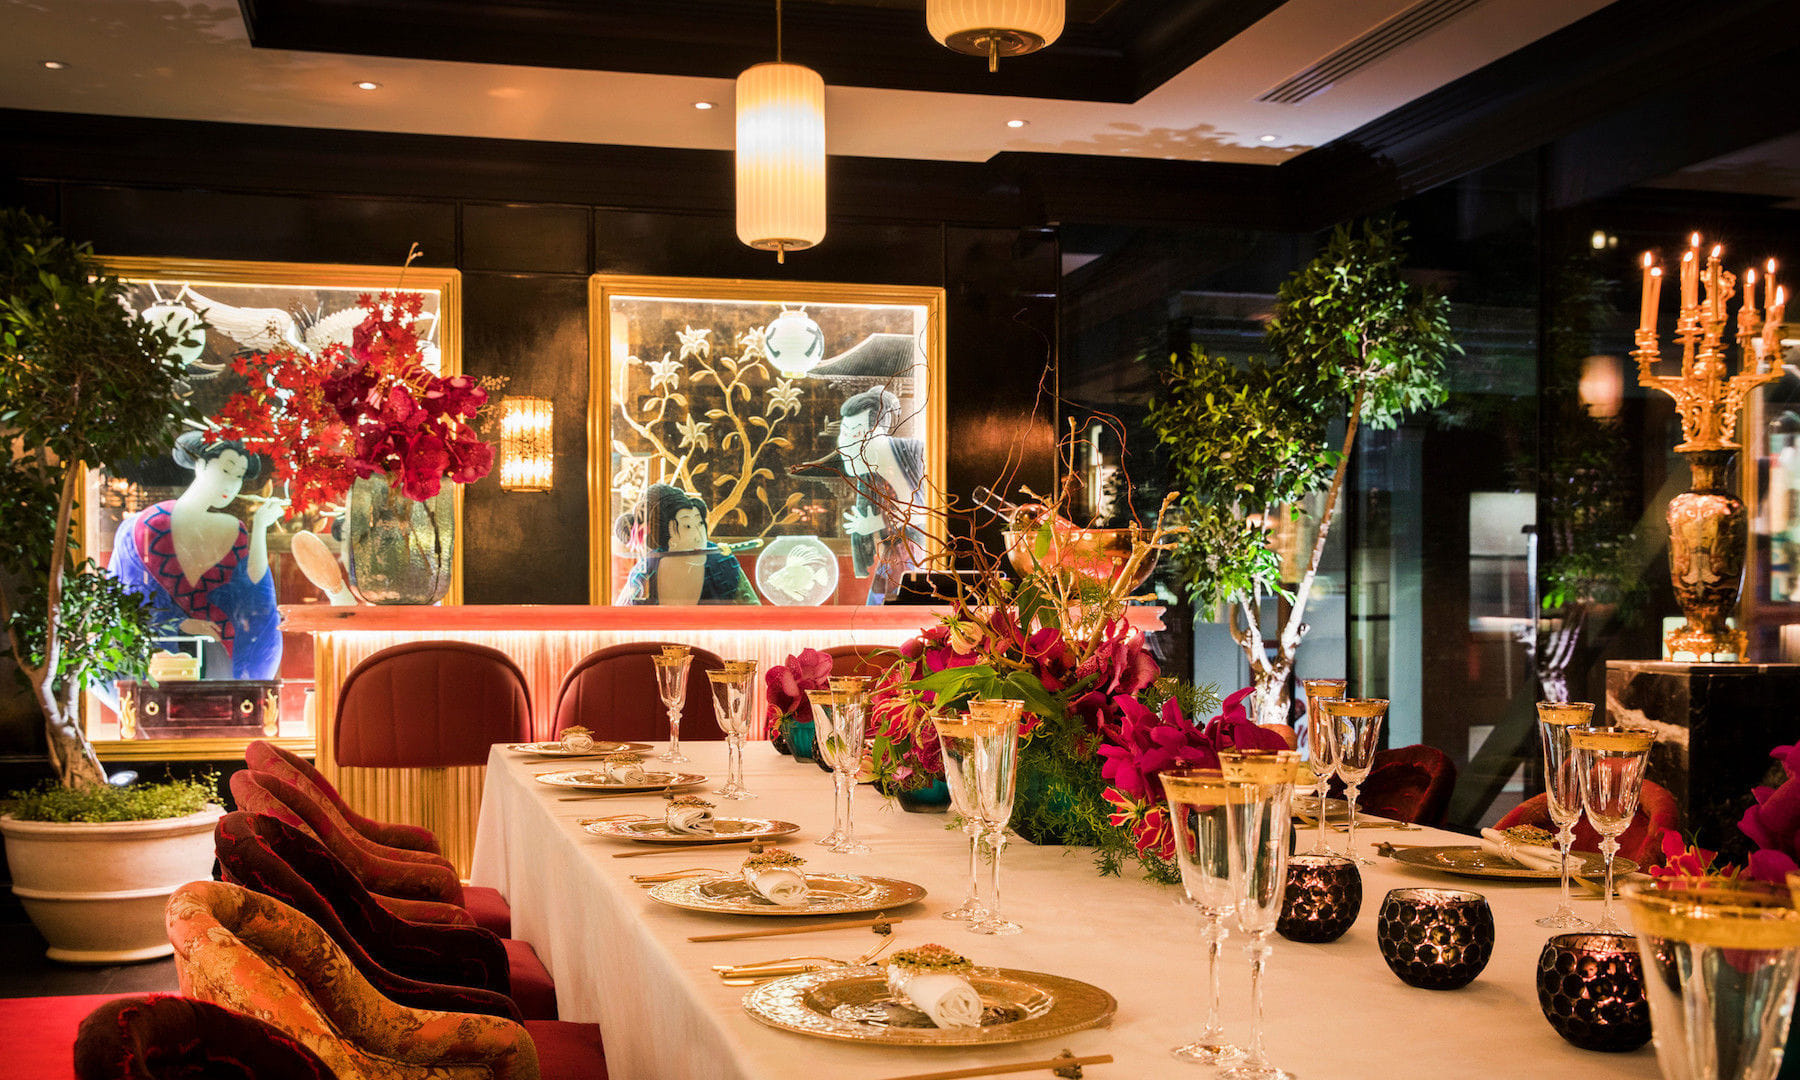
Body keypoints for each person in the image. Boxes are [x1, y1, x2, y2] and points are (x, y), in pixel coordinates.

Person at [109, 431, 285, 680]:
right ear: (200, 465)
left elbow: (254, 594)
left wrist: (260, 527)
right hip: (158, 658)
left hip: (218, 653)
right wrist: (180, 623)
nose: (231, 484)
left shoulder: (233, 529)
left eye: (238, 476)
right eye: (226, 470)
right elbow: (128, 601)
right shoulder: (145, 526)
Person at [793, 386, 926, 604]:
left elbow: (933, 512)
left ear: (879, 431)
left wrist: (880, 521)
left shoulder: (915, 452)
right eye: (844, 432)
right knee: (877, 607)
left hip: (920, 555)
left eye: (856, 433)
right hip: (894, 555)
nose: (845, 443)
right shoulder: (871, 473)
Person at [615, 484, 759, 605]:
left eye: (700, 523)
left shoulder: (722, 561)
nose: (698, 537)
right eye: (687, 526)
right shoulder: (648, 567)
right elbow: (623, 614)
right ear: (667, 535)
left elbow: (752, 609)